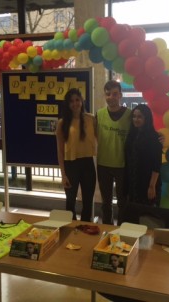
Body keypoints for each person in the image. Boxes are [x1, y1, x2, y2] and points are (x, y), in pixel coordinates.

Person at [56, 88, 97, 221]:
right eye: (71, 101)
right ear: (68, 104)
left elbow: (104, 136)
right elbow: (60, 151)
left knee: (87, 202)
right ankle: (70, 229)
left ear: (82, 101)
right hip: (70, 166)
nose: (75, 103)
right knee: (70, 203)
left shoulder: (91, 119)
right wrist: (63, 174)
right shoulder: (62, 123)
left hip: (87, 164)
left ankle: (85, 230)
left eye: (77, 100)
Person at [96, 80, 132, 225]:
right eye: (108, 94)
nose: (111, 97)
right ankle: (107, 230)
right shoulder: (99, 114)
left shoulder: (130, 115)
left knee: (123, 202)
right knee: (106, 203)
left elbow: (142, 130)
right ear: (105, 96)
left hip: (122, 165)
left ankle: (122, 229)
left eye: (115, 94)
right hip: (103, 164)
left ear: (120, 95)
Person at [124, 104, 163, 206]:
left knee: (147, 216)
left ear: (147, 118)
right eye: (134, 116)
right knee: (134, 215)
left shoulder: (154, 137)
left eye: (140, 116)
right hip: (133, 182)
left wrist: (152, 186)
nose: (136, 119)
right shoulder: (132, 135)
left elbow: (157, 164)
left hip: (147, 183)